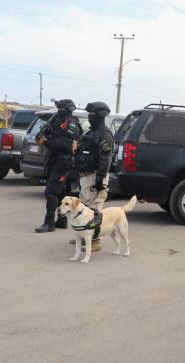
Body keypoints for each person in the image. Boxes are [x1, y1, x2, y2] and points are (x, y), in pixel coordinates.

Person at [69, 101, 115, 252]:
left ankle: (95, 242)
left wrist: (100, 179)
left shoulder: (104, 135)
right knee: (84, 208)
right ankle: (84, 236)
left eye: (92, 114)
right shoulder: (90, 133)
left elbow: (105, 159)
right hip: (85, 176)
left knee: (94, 210)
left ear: (100, 116)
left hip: (95, 176)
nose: (89, 117)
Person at [35, 99, 82, 233]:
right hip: (53, 160)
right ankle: (61, 221)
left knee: (50, 192)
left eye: (61, 109)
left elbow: (66, 146)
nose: (59, 111)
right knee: (60, 192)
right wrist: (42, 136)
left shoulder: (72, 124)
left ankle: (49, 223)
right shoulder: (56, 120)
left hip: (63, 162)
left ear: (67, 110)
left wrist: (46, 142)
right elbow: (49, 132)